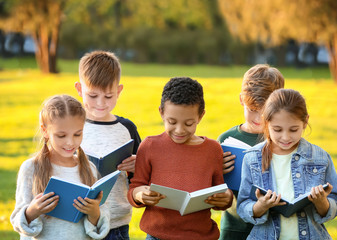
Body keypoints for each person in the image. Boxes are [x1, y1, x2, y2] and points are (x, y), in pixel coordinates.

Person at [127, 77, 233, 240]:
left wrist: (226, 198)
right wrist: (140, 195)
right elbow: (136, 186)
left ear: (201, 116)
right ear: (161, 112)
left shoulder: (212, 150)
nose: (179, 130)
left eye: (189, 123)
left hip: (200, 236)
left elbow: (220, 191)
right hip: (157, 235)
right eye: (172, 122)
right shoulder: (149, 146)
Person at [237, 89, 337, 239]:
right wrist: (262, 206)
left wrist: (322, 202)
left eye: (293, 130)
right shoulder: (252, 158)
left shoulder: (319, 158)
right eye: (277, 130)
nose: (285, 137)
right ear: (266, 123)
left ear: (305, 122)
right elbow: (243, 207)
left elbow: (336, 205)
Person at [11, 94, 110, 239]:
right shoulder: (31, 168)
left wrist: (94, 212)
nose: (70, 142)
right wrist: (32, 211)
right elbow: (17, 220)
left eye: (77, 134)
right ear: (45, 131)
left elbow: (101, 219)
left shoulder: (89, 168)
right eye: (61, 136)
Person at [75, 50, 141, 240]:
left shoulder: (126, 128)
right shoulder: (71, 126)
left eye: (108, 96)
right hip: (78, 223)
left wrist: (138, 165)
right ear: (79, 89)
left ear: (119, 91)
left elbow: (142, 176)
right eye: (93, 96)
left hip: (116, 225)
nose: (100, 103)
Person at [218, 64, 284, 239]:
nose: (258, 118)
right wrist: (219, 172)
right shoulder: (226, 139)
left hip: (274, 227)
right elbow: (215, 190)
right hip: (235, 226)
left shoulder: (284, 139)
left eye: (265, 112)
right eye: (253, 110)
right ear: (241, 100)